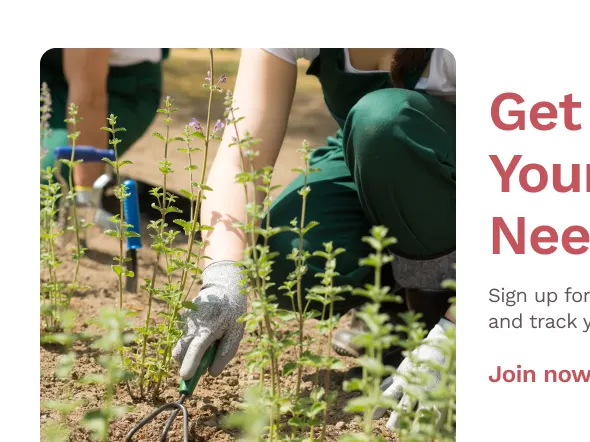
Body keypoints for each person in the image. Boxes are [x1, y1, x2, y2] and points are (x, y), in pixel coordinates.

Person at [170, 48, 456, 426]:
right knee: (290, 253)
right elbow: (243, 156)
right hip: (372, 153)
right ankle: (393, 310)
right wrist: (222, 278)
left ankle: (441, 314)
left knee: (386, 121)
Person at [40, 48, 168, 208]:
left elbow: (91, 97)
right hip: (47, 73)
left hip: (117, 86)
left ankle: (94, 186)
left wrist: (86, 197)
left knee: (43, 180)